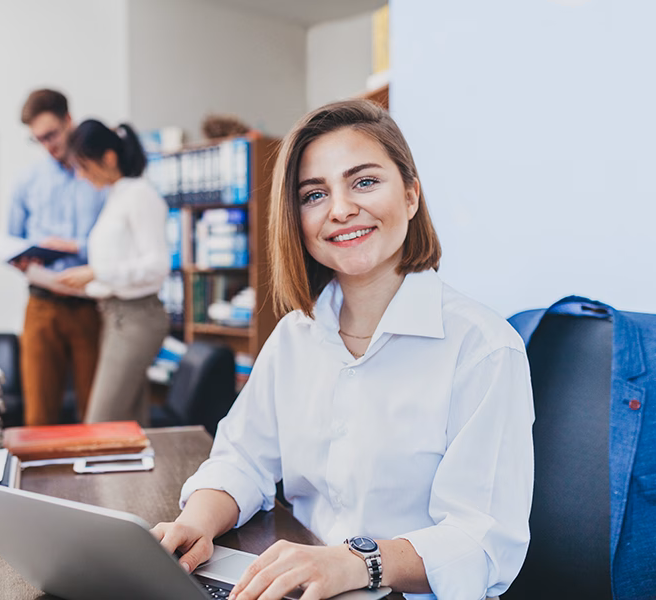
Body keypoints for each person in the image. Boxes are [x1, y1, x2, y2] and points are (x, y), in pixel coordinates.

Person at [152, 100, 535, 600]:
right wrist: (195, 525)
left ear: (412, 195)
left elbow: (481, 541)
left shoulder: (483, 348)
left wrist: (356, 562)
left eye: (365, 182)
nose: (339, 209)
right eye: (314, 194)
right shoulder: (295, 335)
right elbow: (243, 458)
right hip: (300, 582)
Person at [56, 120, 170, 425]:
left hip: (136, 318)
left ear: (108, 158)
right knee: (130, 423)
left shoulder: (139, 195)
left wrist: (96, 273)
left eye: (84, 165)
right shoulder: (117, 195)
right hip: (116, 315)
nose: (81, 175)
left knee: (101, 423)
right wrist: (87, 282)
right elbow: (118, 265)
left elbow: (158, 264)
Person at [8, 89, 108, 426]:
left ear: (69, 120)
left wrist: (73, 246)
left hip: (90, 307)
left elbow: (115, 244)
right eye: (38, 139)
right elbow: (12, 241)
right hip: (42, 306)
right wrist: (19, 257)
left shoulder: (101, 176)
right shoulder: (27, 181)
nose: (48, 145)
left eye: (52, 134)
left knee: (95, 414)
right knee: (38, 416)